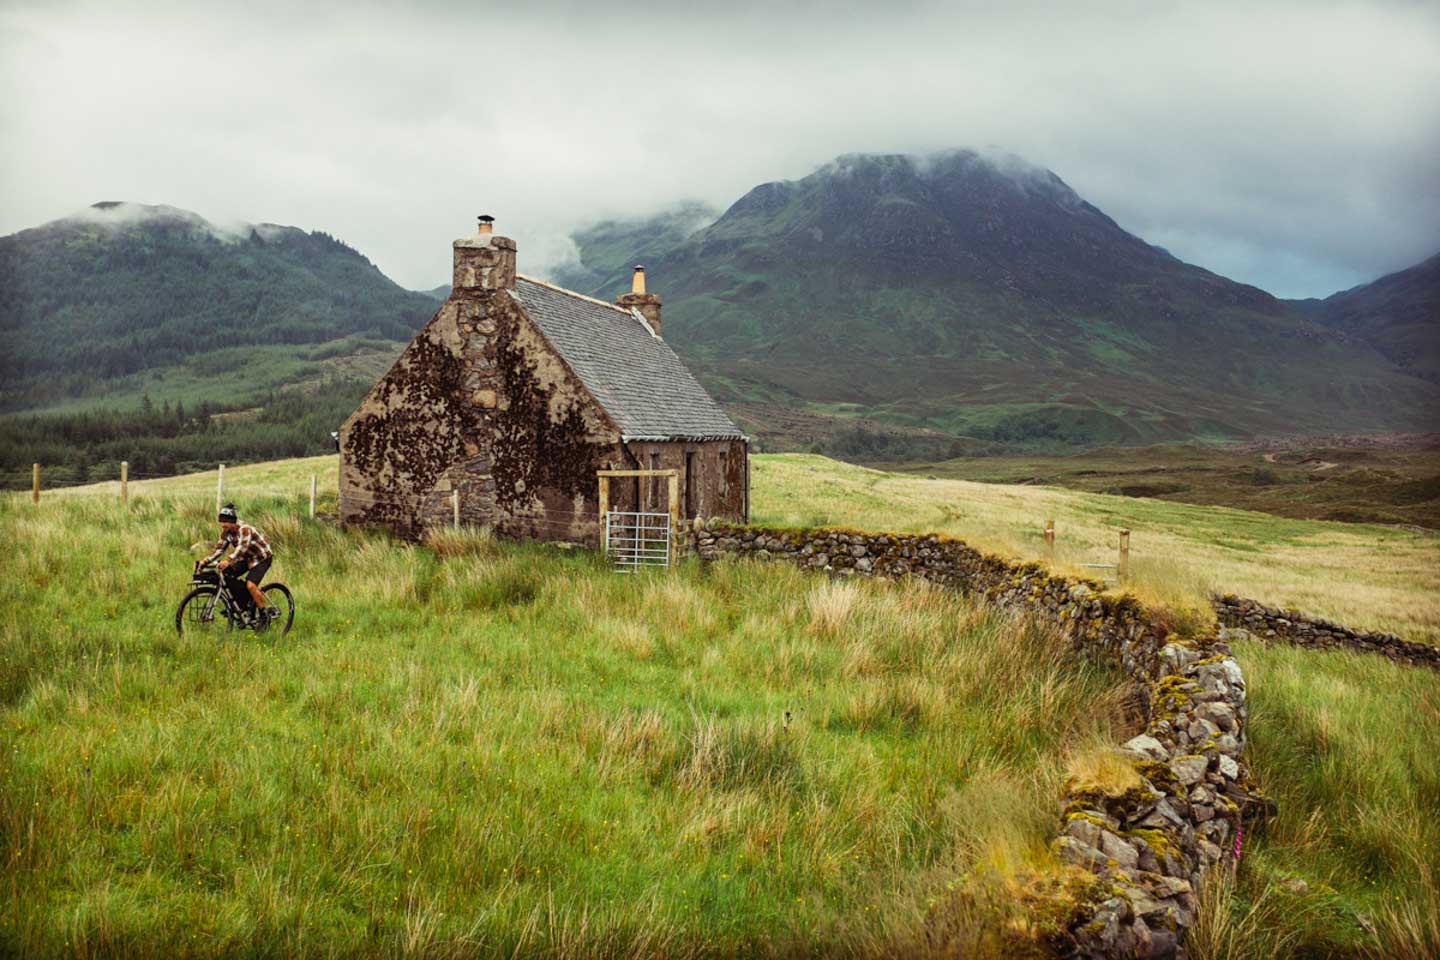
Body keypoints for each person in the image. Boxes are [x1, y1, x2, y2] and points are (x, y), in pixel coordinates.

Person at [197, 503, 277, 625]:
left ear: (233, 522)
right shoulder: (226, 532)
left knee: (250, 585)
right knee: (225, 575)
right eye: (221, 522)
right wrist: (204, 561)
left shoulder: (244, 529)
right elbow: (219, 550)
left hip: (261, 558)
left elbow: (242, 549)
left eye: (225, 522)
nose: (222, 525)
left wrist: (227, 561)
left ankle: (264, 615)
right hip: (246, 558)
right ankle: (241, 605)